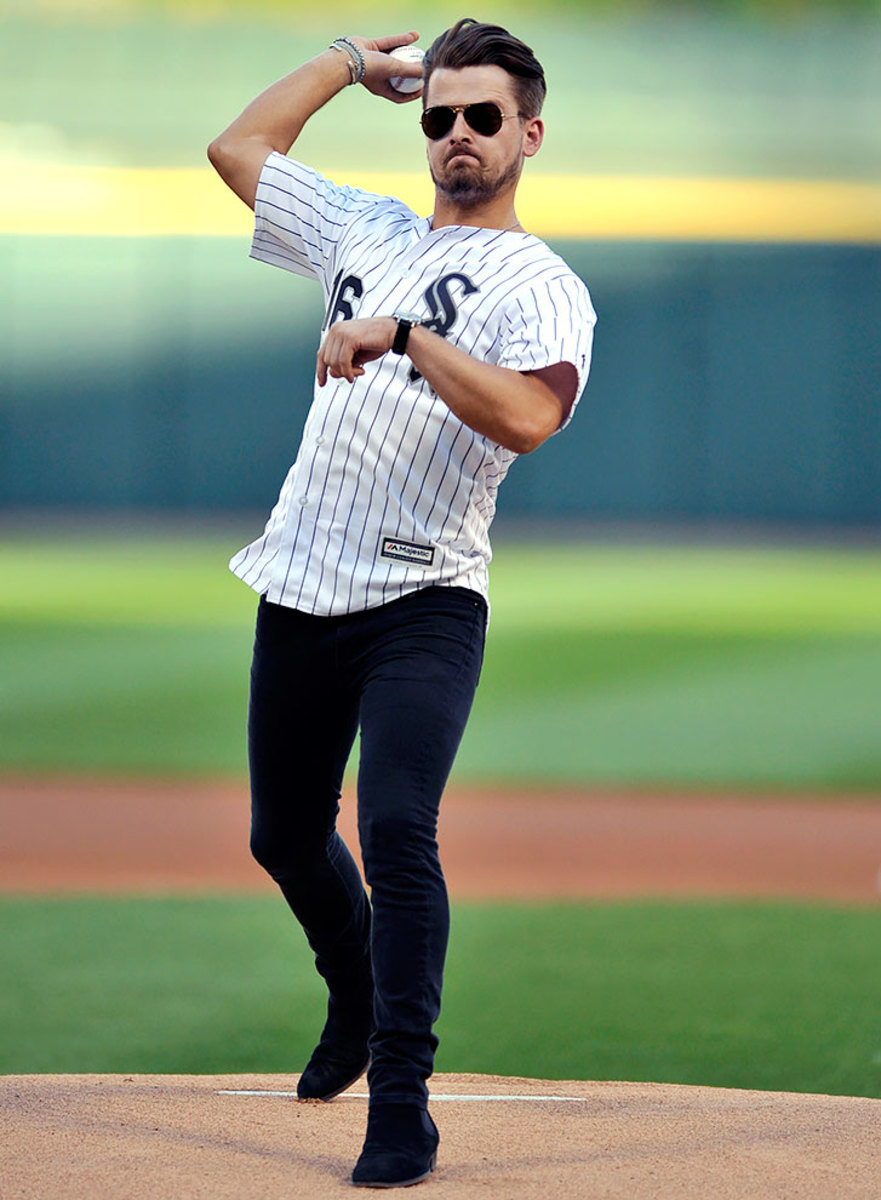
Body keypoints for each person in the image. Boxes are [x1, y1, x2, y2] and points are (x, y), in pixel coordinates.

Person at [208, 18, 596, 1189]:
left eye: (482, 115)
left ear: (527, 132)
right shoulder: (366, 226)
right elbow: (236, 151)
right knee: (282, 833)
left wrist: (409, 335)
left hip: (423, 595)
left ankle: (402, 1101)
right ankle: (351, 980)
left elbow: (528, 419)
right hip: (302, 580)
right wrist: (344, 66)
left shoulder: (545, 285)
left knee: (394, 827)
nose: (458, 134)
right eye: (439, 115)